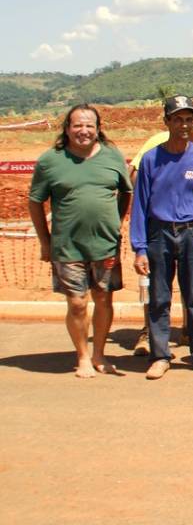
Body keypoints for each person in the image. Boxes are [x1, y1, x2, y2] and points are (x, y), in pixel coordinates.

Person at [28, 104, 132, 378]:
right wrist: (45, 242)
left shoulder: (112, 156)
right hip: (67, 246)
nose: (83, 131)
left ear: (98, 129)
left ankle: (99, 354)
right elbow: (35, 202)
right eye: (77, 125)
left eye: (89, 125)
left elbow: (126, 192)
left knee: (104, 299)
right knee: (77, 303)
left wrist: (116, 222)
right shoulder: (50, 160)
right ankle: (83, 356)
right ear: (67, 129)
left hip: (106, 244)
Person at [130, 96, 193, 379]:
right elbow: (139, 205)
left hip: (191, 233)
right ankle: (160, 356)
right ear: (167, 122)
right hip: (158, 233)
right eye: (178, 119)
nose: (185, 125)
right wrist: (139, 248)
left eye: (189, 119)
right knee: (159, 298)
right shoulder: (151, 159)